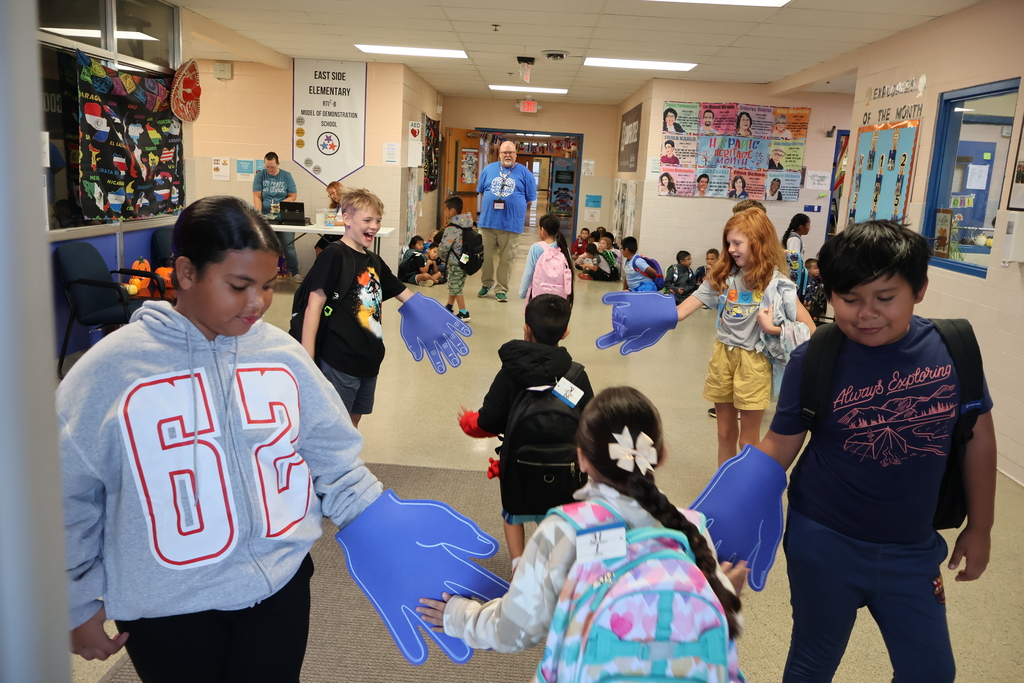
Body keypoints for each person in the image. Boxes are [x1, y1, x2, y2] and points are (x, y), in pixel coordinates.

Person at [59, 195, 384, 679]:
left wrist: (386, 527)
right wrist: (74, 600)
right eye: (239, 285)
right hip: (170, 610)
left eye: (268, 286)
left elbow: (333, 456)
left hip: (279, 589)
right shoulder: (111, 371)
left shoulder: (281, 355)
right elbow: (65, 496)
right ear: (186, 273)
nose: (257, 302)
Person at [757, 221, 996, 682]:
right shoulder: (818, 356)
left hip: (912, 549)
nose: (866, 314)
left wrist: (980, 526)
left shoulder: (954, 351)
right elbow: (779, 444)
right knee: (811, 662)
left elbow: (978, 438)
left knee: (931, 672)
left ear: (919, 290)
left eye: (885, 298)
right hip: (823, 541)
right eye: (848, 300)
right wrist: (729, 507)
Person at [419, 386, 747, 683]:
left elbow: (515, 630)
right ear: (661, 456)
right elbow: (726, 627)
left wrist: (459, 616)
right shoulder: (691, 527)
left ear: (582, 459)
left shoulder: (564, 530)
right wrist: (726, 591)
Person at [455, 295, 595, 565]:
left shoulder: (511, 372)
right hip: (565, 470)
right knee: (558, 518)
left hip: (518, 469)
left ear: (525, 328)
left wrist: (468, 421)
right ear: (566, 332)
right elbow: (591, 420)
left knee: (513, 514)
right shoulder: (574, 375)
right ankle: (556, 565)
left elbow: (488, 422)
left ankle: (518, 566)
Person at [672, 209, 815, 464]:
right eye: (728, 243)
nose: (731, 249)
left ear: (758, 243)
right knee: (725, 433)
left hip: (755, 362)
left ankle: (745, 495)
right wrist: (644, 319)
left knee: (748, 441)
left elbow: (810, 331)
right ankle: (722, 491)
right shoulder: (722, 277)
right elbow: (681, 311)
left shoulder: (777, 284)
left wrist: (774, 329)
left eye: (737, 243)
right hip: (723, 357)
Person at [300, 188, 415, 428]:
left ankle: (346, 462)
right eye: (367, 220)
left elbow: (405, 294)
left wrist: (433, 317)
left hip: (369, 359)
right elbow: (314, 307)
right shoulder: (334, 255)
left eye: (378, 220)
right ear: (347, 219)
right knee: (335, 424)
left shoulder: (372, 260)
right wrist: (307, 359)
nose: (374, 226)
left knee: (353, 419)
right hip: (339, 357)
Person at [477, 140, 538, 303]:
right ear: (499, 154)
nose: (508, 155)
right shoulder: (488, 169)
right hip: (487, 223)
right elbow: (482, 192)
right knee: (485, 257)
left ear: (516, 154)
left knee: (507, 259)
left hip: (511, 225)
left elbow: (530, 199)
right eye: (505, 152)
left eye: (511, 152)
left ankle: (501, 289)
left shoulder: (525, 173)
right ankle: (486, 283)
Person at [251, 152, 300, 281]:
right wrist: (259, 215)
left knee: (288, 245)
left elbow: (293, 196)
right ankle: (263, 273)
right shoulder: (260, 175)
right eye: (267, 167)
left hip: (284, 216)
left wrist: (281, 204)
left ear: (278, 164)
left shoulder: (286, 176)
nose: (269, 170)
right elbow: (257, 196)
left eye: (272, 167)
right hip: (266, 215)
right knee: (264, 245)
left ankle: (295, 273)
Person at [519, 213, 574, 303]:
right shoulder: (563, 247)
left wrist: (522, 292)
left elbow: (529, 272)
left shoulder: (537, 247)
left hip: (539, 296)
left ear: (542, 230)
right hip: (560, 297)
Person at [436, 195, 473, 322]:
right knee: (455, 283)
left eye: (446, 210)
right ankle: (449, 306)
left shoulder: (452, 228)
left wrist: (440, 255)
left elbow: (445, 246)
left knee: (456, 287)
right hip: (465, 259)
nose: (445, 212)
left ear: (452, 211)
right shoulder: (466, 224)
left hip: (455, 261)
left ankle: (464, 312)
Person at [315, 181, 345, 254]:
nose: (332, 196)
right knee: (319, 247)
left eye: (333, 193)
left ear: (340, 191)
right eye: (330, 194)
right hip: (333, 231)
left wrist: (338, 223)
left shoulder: (351, 204)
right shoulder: (335, 205)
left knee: (336, 250)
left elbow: (355, 223)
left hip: (345, 233)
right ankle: (320, 265)